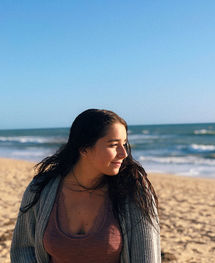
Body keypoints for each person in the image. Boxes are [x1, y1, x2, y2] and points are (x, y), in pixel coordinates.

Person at [11, 109, 161, 263]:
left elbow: (146, 257)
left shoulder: (134, 190)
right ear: (84, 149)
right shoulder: (41, 188)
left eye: (124, 144)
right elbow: (23, 249)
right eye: (113, 145)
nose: (123, 153)